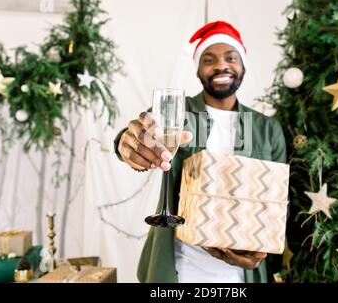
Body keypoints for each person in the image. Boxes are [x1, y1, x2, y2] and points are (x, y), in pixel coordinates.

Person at [114, 21, 287, 283]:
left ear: (243, 67)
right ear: (198, 71)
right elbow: (142, 135)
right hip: (178, 270)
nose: (220, 65)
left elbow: (275, 206)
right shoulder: (176, 112)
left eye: (231, 57)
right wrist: (126, 145)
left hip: (239, 276)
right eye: (209, 59)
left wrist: (259, 254)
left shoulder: (267, 128)